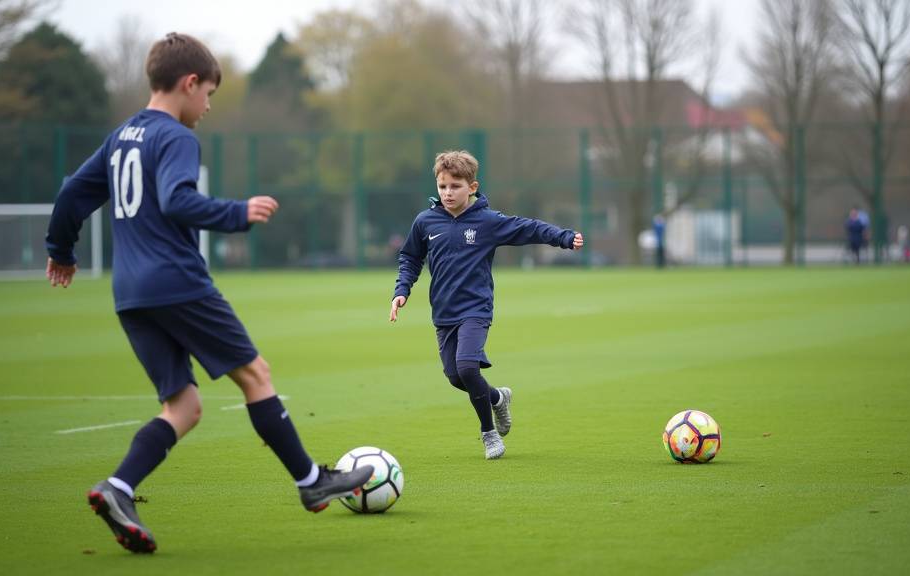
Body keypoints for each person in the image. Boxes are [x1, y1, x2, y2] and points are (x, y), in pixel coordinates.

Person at [44, 33, 372, 554]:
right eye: (210, 94)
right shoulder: (174, 137)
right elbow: (177, 200)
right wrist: (236, 214)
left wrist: (61, 250)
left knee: (185, 405)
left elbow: (70, 193)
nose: (209, 106)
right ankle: (311, 481)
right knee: (256, 375)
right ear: (189, 83)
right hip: (177, 281)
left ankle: (118, 488)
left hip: (130, 292)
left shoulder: (121, 136)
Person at [389, 150, 584, 460]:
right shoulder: (425, 222)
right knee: (455, 377)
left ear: (472, 187)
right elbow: (410, 257)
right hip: (443, 312)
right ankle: (496, 398)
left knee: (468, 367)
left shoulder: (486, 221)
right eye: (442, 187)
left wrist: (563, 237)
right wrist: (402, 290)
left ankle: (488, 434)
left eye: (455, 186)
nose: (448, 193)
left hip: (476, 310)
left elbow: (528, 228)